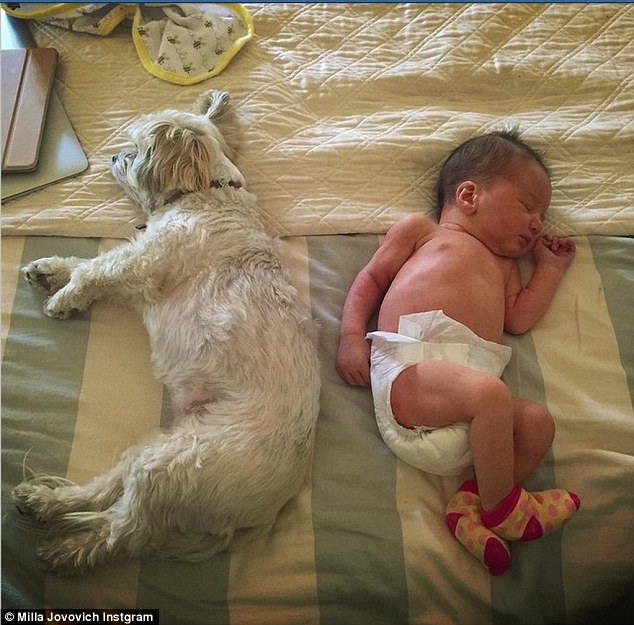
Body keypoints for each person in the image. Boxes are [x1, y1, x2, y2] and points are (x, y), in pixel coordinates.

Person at [336, 130, 580, 575]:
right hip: (411, 374)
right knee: (490, 395)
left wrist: (550, 269)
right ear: (469, 195)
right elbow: (371, 280)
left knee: (538, 423)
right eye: (528, 206)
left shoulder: (505, 267)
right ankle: (504, 509)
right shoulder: (422, 232)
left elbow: (520, 319)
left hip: (472, 423)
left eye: (541, 216)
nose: (537, 224)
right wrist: (352, 337)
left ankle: (471, 507)